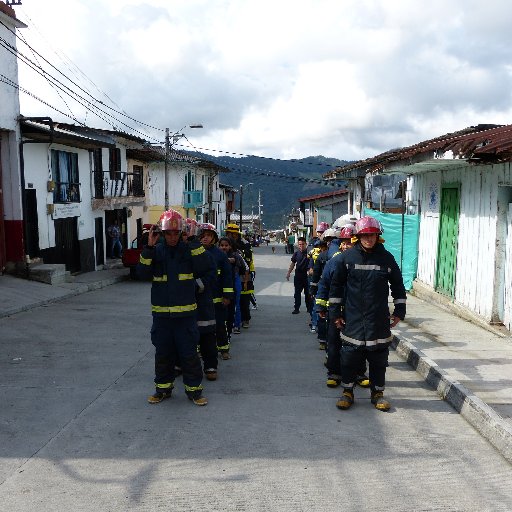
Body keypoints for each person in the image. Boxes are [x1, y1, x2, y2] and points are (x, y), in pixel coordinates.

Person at [137, 209, 216, 406]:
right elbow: (141, 274)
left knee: (189, 355)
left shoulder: (190, 250)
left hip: (186, 317)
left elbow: (206, 267)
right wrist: (148, 248)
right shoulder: (155, 252)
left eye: (176, 233)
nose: (172, 237)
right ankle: (163, 389)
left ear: (182, 233)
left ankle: (194, 391)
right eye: (168, 233)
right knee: (163, 355)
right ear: (162, 234)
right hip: (162, 318)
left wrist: (194, 242)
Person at [328, 215, 406, 411]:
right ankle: (347, 392)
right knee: (349, 356)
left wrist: (399, 310)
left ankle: (377, 393)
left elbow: (397, 284)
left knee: (379, 358)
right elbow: (336, 287)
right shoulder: (347, 258)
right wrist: (335, 313)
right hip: (353, 318)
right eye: (365, 235)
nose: (369, 239)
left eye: (372, 235)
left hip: (378, 319)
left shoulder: (386, 258)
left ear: (378, 237)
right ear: (358, 236)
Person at [316, 225, 369, 387]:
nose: (346, 246)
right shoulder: (335, 261)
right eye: (344, 242)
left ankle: (359, 373)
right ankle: (334, 372)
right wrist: (321, 306)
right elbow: (324, 284)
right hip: (336, 310)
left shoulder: (364, 262)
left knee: (358, 343)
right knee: (334, 342)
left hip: (356, 311)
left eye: (350, 243)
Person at [182, 218, 218, 381]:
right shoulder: (180, 251)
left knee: (207, 334)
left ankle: (210, 365)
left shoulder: (207, 256)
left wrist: (194, 286)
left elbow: (211, 275)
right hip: (182, 302)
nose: (204, 238)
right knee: (182, 335)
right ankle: (179, 364)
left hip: (202, 301)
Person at [199, 223, 234, 360]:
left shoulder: (220, 255)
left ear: (214, 238)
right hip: (200, 299)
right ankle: (199, 349)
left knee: (220, 324)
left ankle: (224, 349)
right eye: (203, 235)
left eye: (208, 235)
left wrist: (227, 296)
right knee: (199, 325)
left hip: (217, 298)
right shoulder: (194, 253)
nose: (205, 238)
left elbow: (227, 276)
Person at [225, 223, 255, 329]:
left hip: (245, 273)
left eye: (231, 234)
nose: (229, 236)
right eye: (227, 233)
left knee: (244, 297)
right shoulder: (226, 244)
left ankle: (246, 319)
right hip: (232, 274)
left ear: (236, 235)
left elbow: (248, 259)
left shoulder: (245, 244)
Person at [218, 236, 249, 338]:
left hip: (234, 282)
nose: (224, 247)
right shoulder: (214, 255)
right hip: (219, 282)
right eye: (222, 245)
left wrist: (245, 282)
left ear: (230, 246)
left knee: (235, 304)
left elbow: (244, 268)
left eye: (226, 245)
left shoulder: (236, 255)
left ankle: (236, 325)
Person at [286, 237, 312, 315]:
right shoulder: (296, 253)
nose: (301, 246)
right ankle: (296, 308)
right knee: (297, 293)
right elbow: (293, 263)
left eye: (302, 244)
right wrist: (288, 273)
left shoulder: (309, 253)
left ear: (306, 244)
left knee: (308, 293)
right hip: (298, 276)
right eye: (299, 244)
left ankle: (309, 308)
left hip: (307, 276)